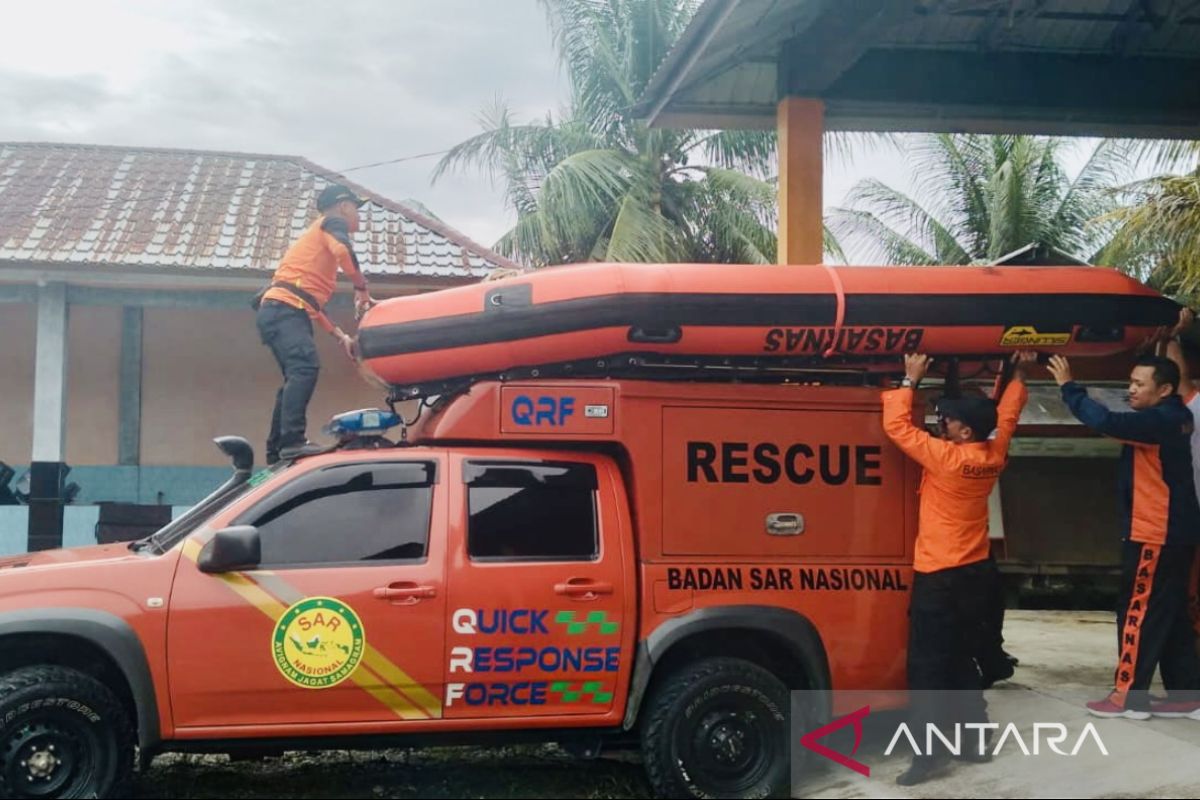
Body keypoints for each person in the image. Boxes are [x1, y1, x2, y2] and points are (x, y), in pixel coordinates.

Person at [882, 351, 1034, 786]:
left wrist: (910, 380)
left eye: (947, 421)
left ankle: (927, 757)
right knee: (964, 659)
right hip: (974, 575)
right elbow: (1006, 415)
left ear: (964, 431)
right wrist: (1018, 373)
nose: (940, 425)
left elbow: (896, 428)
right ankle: (974, 742)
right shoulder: (993, 452)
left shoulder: (945, 459)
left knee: (928, 666)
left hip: (940, 576)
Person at [1047, 353, 1200, 719]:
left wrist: (1069, 387)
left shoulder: (1159, 422)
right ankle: (1186, 694)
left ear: (1164, 389)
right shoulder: (1175, 416)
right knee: (1171, 612)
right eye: (1130, 382)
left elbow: (1102, 420)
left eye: (1139, 384)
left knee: (1137, 611)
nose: (1130, 389)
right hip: (1174, 532)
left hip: (1154, 533)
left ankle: (1129, 697)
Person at [255, 183, 376, 463]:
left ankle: (277, 450)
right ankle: (292, 442)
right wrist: (361, 288)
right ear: (344, 206)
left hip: (283, 310)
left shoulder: (315, 240)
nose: (358, 216)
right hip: (283, 310)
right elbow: (344, 252)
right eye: (356, 209)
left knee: (296, 374)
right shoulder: (332, 222)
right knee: (304, 368)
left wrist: (340, 336)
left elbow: (310, 306)